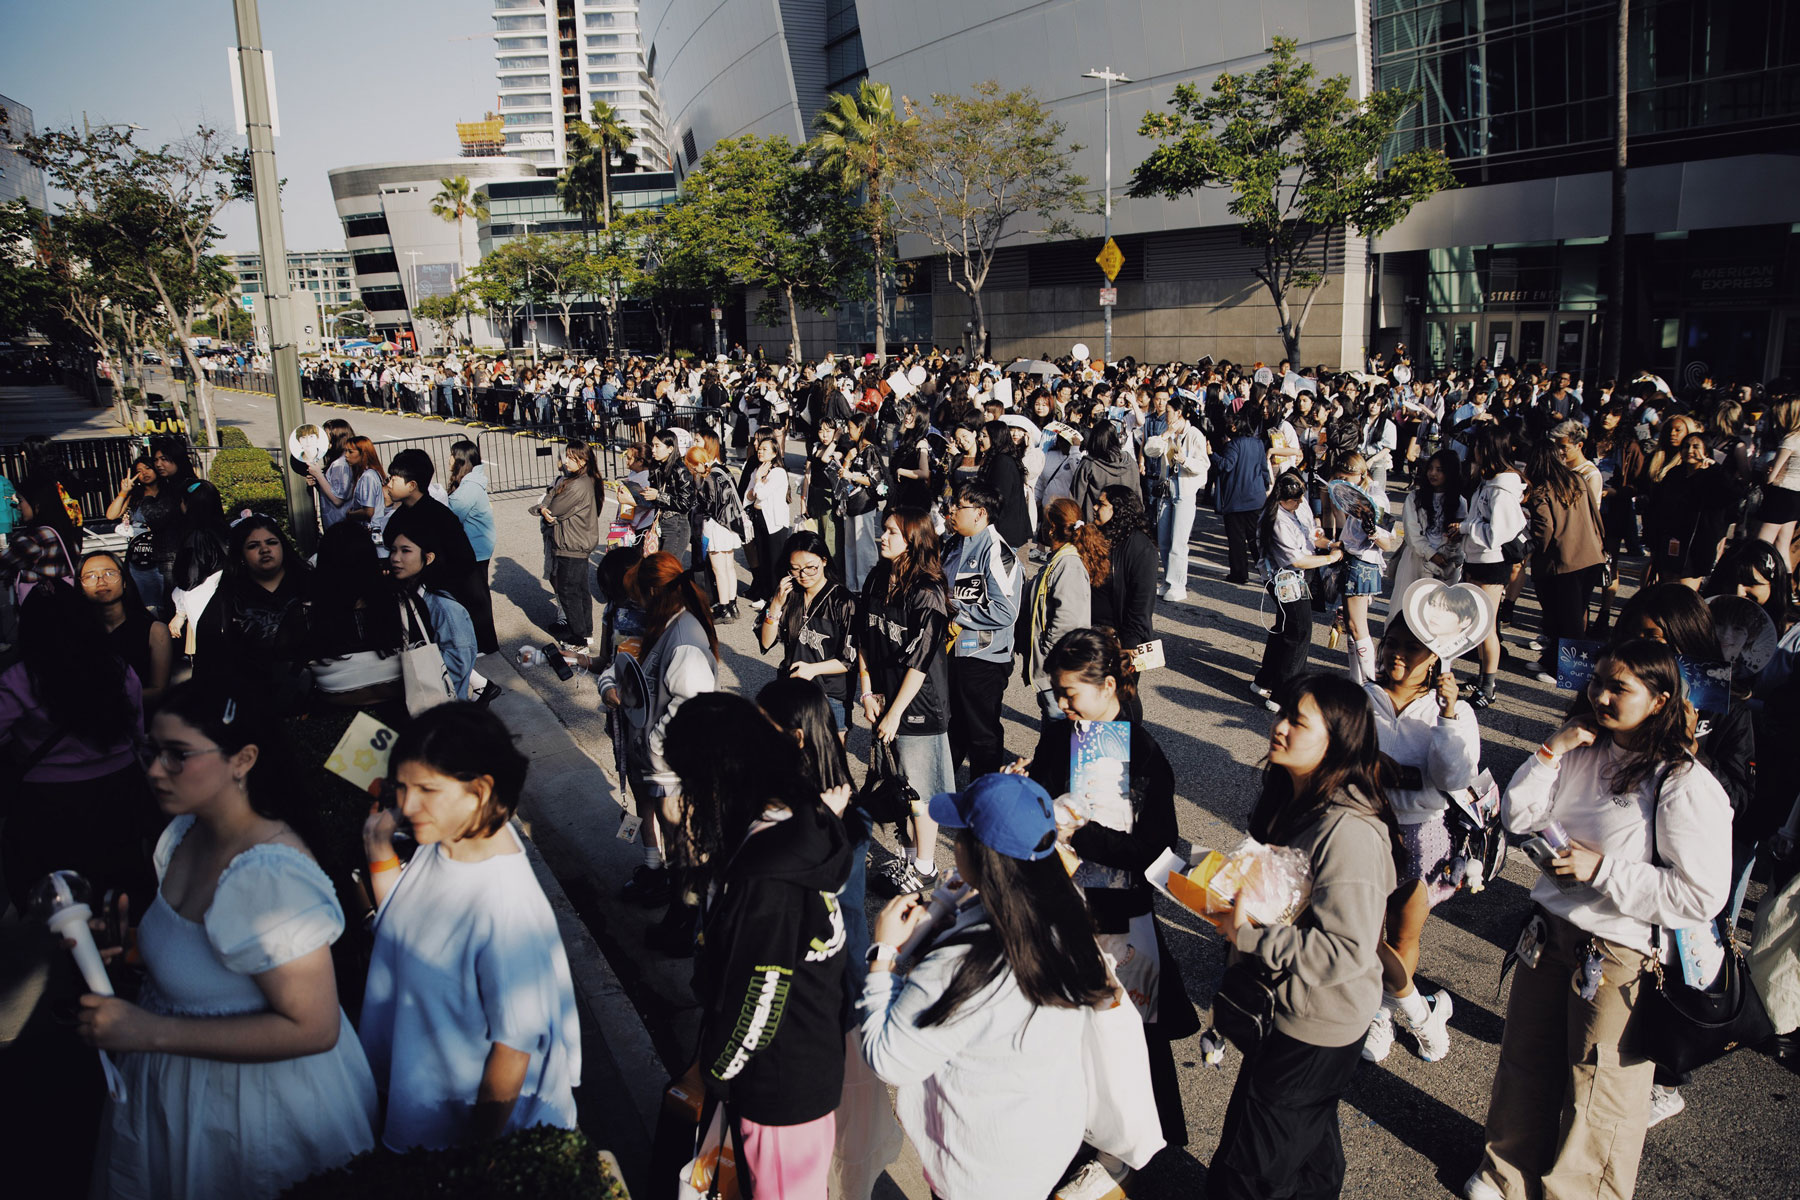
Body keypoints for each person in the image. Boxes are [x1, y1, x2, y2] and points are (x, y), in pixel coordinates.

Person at [84, 680, 378, 1198]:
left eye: (178, 755)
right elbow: (203, 960)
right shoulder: (184, 833)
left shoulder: (270, 877)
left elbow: (314, 1028)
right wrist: (128, 949)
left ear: (243, 760)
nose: (155, 770)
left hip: (253, 1115)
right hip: (183, 1100)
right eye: (152, 751)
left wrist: (148, 1031)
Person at [1467, 638, 1732, 1200]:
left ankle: (1581, 1193)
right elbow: (1518, 816)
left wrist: (1602, 870)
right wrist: (1550, 751)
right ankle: (1506, 1172)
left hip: (1619, 953)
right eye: (1598, 683)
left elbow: (1702, 895)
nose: (1601, 696)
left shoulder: (1682, 782)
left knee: (1600, 1086)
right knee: (1525, 1060)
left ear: (1660, 700)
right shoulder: (1581, 748)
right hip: (1548, 932)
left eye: (1620, 688)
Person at [859, 772, 1113, 1200]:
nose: (954, 842)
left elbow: (889, 1058)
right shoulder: (1067, 914)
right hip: (1044, 1137)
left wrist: (883, 953)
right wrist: (948, 907)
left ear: (980, 855)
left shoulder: (964, 963)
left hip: (977, 1167)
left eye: (960, 834)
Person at [1206, 673, 1401, 1200]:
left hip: (1318, 1023)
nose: (1280, 727)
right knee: (1305, 1147)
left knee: (1253, 1169)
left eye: (1298, 721)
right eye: (1282, 713)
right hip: (1292, 1008)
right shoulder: (1296, 798)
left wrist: (1250, 938)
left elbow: (1347, 950)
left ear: (1337, 742)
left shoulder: (1349, 832)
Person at [360, 703, 580, 1150]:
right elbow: (405, 926)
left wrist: (477, 1156)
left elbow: (512, 1049)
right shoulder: (448, 838)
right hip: (422, 1098)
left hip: (463, 1136)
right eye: (402, 787)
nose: (408, 805)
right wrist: (379, 851)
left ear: (480, 791)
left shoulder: (504, 906)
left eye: (427, 789)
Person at [662, 692, 853, 1199]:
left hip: (778, 1087)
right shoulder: (799, 817)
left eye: (691, 781)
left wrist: (716, 1070)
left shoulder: (768, 876)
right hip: (803, 1059)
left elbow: (761, 996)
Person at [1024, 627, 1201, 1175]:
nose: (1062, 704)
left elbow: (1157, 848)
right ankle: (1073, 1128)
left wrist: (1084, 835)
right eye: (1057, 692)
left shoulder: (1145, 755)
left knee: (1127, 1036)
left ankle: (1128, 1148)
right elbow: (1039, 797)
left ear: (1107, 686)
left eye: (1070, 693)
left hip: (1122, 918)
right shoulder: (1059, 737)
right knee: (1068, 1029)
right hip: (1062, 905)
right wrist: (1024, 794)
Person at [1355, 615, 1480, 1065]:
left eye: (1412, 648)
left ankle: (1384, 1014)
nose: (1397, 654)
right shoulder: (1362, 697)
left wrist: (1447, 715)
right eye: (1391, 642)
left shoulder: (1455, 712)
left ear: (1436, 660)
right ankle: (1415, 1013)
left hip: (1421, 833)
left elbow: (1453, 778)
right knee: (1365, 933)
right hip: (1364, 826)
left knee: (1402, 933)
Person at [586, 553, 720, 950]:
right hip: (666, 765)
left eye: (639, 596)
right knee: (681, 850)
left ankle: (688, 930)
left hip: (673, 768)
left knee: (686, 850)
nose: (637, 604)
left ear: (653, 592)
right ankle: (681, 921)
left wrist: (654, 744)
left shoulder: (683, 637)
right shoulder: (670, 625)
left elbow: (690, 707)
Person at [0, 583, 156, 916]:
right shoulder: (116, 667)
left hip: (49, 801)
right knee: (121, 886)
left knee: (65, 896)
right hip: (120, 788)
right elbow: (136, 728)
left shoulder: (18, 679)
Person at [857, 509, 953, 896]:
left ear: (914, 540)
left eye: (892, 532)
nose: (883, 537)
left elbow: (920, 661)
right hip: (884, 701)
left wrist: (895, 712)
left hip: (919, 705)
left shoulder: (927, 591)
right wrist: (866, 690)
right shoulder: (877, 577)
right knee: (898, 786)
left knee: (919, 792)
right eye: (884, 530)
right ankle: (908, 857)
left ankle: (925, 866)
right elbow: (863, 638)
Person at [942, 481, 1023, 781]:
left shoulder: (997, 552)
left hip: (984, 658)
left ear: (980, 513)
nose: (951, 510)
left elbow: (1006, 611)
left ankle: (985, 792)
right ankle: (942, 788)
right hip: (952, 652)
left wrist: (958, 613)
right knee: (953, 726)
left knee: (982, 733)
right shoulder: (952, 544)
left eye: (958, 505)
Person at [1250, 472, 1344, 711]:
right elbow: (1297, 560)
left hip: (1296, 577)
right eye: (1295, 500)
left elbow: (1311, 536)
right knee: (1299, 632)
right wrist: (1330, 558)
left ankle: (1265, 679)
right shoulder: (1276, 520)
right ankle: (1282, 695)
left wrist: (1329, 544)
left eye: (1301, 497)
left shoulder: (1295, 509)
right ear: (1281, 499)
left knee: (1283, 628)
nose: (1301, 502)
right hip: (1285, 579)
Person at [757, 530, 858, 734]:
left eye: (811, 568)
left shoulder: (844, 601)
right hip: (792, 688)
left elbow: (850, 659)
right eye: (795, 569)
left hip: (831, 694)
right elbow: (766, 642)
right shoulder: (788, 595)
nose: (803, 575)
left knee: (830, 753)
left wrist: (812, 669)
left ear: (824, 560)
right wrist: (776, 605)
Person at [1524, 439, 1607, 686]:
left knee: (1564, 618)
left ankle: (1570, 672)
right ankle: (1552, 659)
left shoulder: (1541, 491)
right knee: (1573, 613)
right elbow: (1595, 513)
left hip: (1562, 561)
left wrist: (1532, 550)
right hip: (1591, 555)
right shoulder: (1577, 480)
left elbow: (1545, 529)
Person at [1021, 498, 1105, 721]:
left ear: (1051, 529)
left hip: (1058, 669)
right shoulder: (1059, 559)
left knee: (1061, 729)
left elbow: (1068, 621)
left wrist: (1047, 651)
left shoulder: (1068, 564)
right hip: (1052, 667)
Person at [1463, 427, 1529, 708]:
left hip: (1492, 564)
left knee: (1487, 627)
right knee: (1477, 624)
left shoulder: (1501, 489)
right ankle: (1482, 678)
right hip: (1477, 560)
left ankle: (1488, 687)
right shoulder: (1488, 482)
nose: (1474, 450)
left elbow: (1497, 534)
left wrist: (1465, 528)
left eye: (1478, 445)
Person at [389, 528, 478, 703]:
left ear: (428, 558)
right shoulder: (402, 596)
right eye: (393, 550)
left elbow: (458, 664)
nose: (395, 558)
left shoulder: (444, 608)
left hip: (441, 707)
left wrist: (404, 677)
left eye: (405, 551)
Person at [529, 440, 602, 651]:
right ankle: (584, 633)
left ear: (583, 460)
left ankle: (578, 639)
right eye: (566, 457)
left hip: (572, 544)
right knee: (579, 590)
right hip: (575, 541)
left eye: (571, 458)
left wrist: (543, 508)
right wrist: (544, 507)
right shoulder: (578, 480)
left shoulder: (578, 484)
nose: (566, 461)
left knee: (569, 592)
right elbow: (551, 500)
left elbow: (553, 507)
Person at [80, 549, 173, 710]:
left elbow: (159, 690)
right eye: (90, 576)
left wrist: (107, 701)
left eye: (109, 573)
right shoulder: (75, 633)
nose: (101, 581)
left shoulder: (155, 631)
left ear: (124, 581)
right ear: (81, 587)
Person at [105, 453, 180, 617]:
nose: (144, 473)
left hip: (167, 552)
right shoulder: (135, 495)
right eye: (139, 471)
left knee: (170, 599)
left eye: (147, 468)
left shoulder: (170, 492)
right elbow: (111, 515)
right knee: (146, 602)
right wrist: (124, 492)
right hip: (140, 554)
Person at [1154, 397, 1211, 603]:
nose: (1165, 414)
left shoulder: (1194, 434)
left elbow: (1204, 465)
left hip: (1184, 492)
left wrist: (1185, 460)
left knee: (1178, 541)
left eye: (1168, 411)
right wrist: (1165, 435)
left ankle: (1178, 584)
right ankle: (1168, 581)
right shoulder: (1167, 432)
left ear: (1179, 413)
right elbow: (1150, 450)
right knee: (1164, 540)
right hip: (1166, 491)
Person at [445, 439, 499, 655]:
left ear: (460, 459)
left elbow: (452, 513)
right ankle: (483, 642)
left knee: (477, 599)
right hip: (476, 546)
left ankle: (486, 644)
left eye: (452, 455)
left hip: (475, 549)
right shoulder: (471, 482)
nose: (449, 459)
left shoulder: (470, 486)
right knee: (476, 597)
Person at [690, 441, 753, 623]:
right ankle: (732, 605)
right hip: (730, 526)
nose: (692, 470)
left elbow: (707, 505)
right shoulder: (722, 470)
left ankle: (724, 608)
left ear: (698, 463)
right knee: (729, 567)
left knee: (719, 570)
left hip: (716, 526)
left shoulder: (709, 478)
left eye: (693, 466)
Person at [1392, 449, 1468, 599]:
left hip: (1445, 564)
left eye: (1439, 470)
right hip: (1415, 560)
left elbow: (1459, 536)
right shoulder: (1414, 498)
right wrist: (1431, 554)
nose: (1433, 473)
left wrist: (1448, 551)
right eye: (1430, 468)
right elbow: (1412, 533)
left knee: (1439, 607)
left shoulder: (1460, 502)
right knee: (1409, 605)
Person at [1091, 483, 1159, 651]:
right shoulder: (1098, 537)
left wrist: (1130, 642)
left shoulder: (1140, 547)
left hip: (1119, 639)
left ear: (1119, 509)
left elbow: (1141, 601)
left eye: (1101, 504)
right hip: (1092, 632)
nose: (1094, 507)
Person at [1213, 408, 1271, 584]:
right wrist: (1264, 486)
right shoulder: (1258, 443)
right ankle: (1267, 572)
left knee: (1237, 540)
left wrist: (1212, 455)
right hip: (1256, 497)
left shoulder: (1233, 445)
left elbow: (1226, 465)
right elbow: (1263, 469)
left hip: (1237, 499)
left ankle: (1239, 574)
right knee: (1255, 539)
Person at [743, 430, 794, 607]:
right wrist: (757, 483)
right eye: (759, 449)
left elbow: (761, 494)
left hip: (774, 521)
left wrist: (758, 481)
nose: (760, 452)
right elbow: (748, 496)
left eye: (765, 449)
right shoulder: (757, 470)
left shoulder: (778, 472)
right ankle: (765, 596)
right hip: (759, 518)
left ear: (774, 453)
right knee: (763, 558)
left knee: (775, 561)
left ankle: (778, 599)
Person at [1754, 393, 1800, 573]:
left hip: (1781, 493)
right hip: (1796, 495)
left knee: (1761, 544)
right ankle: (1785, 586)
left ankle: (1756, 578)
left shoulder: (1790, 439)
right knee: (1782, 547)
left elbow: (1771, 477)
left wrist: (1768, 470)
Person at [643, 429, 698, 567]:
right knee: (657, 567)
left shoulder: (681, 469)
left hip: (676, 525)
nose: (653, 450)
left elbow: (686, 503)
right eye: (652, 445)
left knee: (667, 569)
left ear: (670, 449)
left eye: (657, 446)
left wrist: (658, 496)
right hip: (660, 522)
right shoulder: (657, 466)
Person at [1071, 418, 1140, 523]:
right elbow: (1137, 496)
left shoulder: (1089, 464)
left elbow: (1076, 498)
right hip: (1125, 523)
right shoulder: (1130, 462)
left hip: (1095, 523)